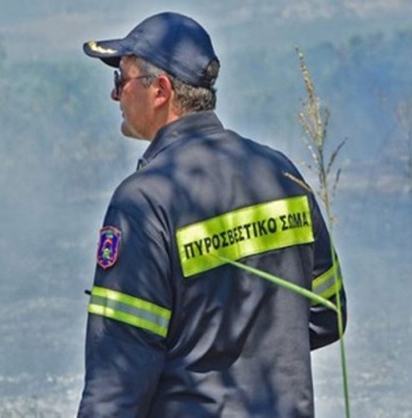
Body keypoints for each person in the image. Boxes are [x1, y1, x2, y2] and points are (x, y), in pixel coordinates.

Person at [78, 11, 346, 418]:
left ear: (161, 90)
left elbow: (118, 380)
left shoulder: (143, 201)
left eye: (121, 80)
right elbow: (329, 314)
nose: (115, 95)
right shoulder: (281, 173)